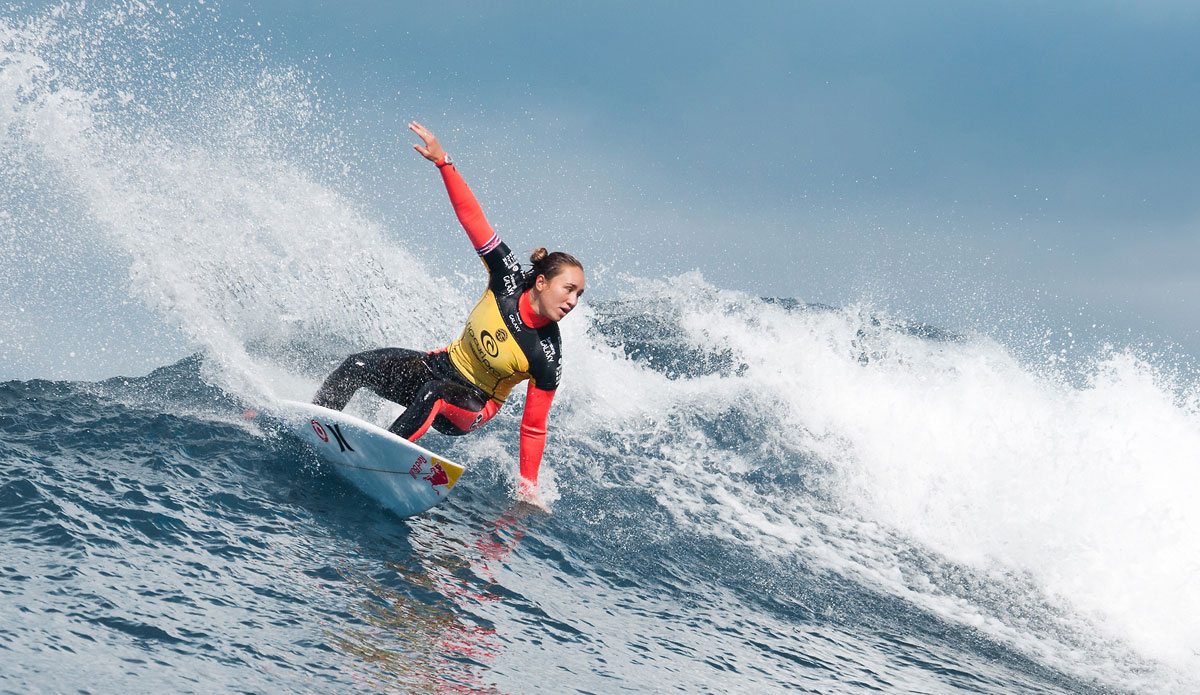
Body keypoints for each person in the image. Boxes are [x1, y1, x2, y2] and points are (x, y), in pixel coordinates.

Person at [312, 121, 584, 501]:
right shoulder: (506, 276)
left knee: (433, 394)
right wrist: (443, 162)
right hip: (440, 365)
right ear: (541, 282)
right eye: (569, 289)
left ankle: (378, 460)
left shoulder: (547, 355)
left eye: (579, 295)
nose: (573, 301)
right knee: (357, 366)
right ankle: (313, 425)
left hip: (471, 405)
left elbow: (534, 428)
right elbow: (472, 218)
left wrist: (528, 489)